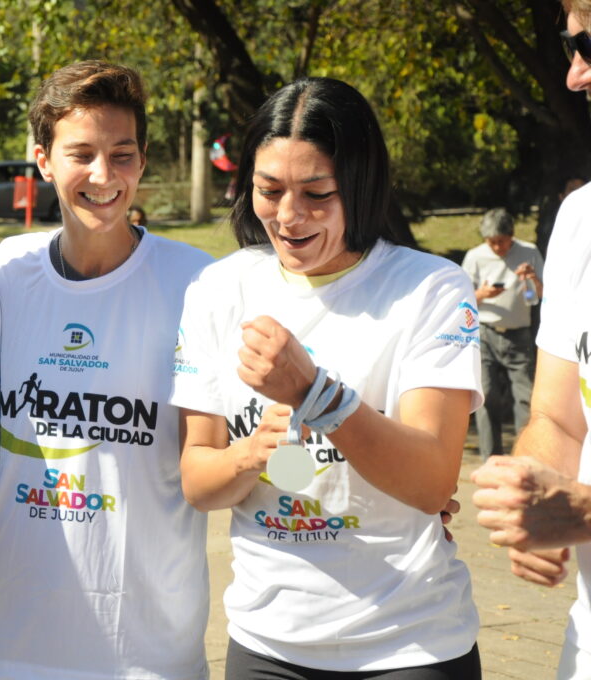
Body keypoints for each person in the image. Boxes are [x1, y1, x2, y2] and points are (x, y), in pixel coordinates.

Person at [171, 77, 482, 678]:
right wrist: (249, 454)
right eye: (269, 190)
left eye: (317, 193)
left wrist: (316, 395)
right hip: (267, 644)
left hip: (410, 644)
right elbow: (198, 483)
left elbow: (431, 482)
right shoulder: (219, 289)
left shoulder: (429, 288)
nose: (289, 216)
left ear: (361, 185)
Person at [0, 61, 214, 680]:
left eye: (122, 155)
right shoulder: (1, 273)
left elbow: (251, 430)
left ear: (142, 161)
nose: (103, 176)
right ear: (42, 161)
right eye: (81, 154)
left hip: (146, 656)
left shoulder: (198, 283)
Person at [471, 2, 591, 677]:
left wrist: (582, 510)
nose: (575, 75)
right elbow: (558, 418)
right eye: (570, 48)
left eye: (587, 46)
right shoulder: (579, 220)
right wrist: (532, 491)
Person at [461, 208, 543, 460]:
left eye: (502, 241)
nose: (497, 247)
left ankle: (526, 458)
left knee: (526, 398)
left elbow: (543, 294)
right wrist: (482, 294)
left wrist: (532, 278)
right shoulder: (475, 256)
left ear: (512, 235)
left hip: (519, 334)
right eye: (492, 242)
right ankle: (491, 459)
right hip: (484, 333)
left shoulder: (529, 251)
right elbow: (461, 299)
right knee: (486, 397)